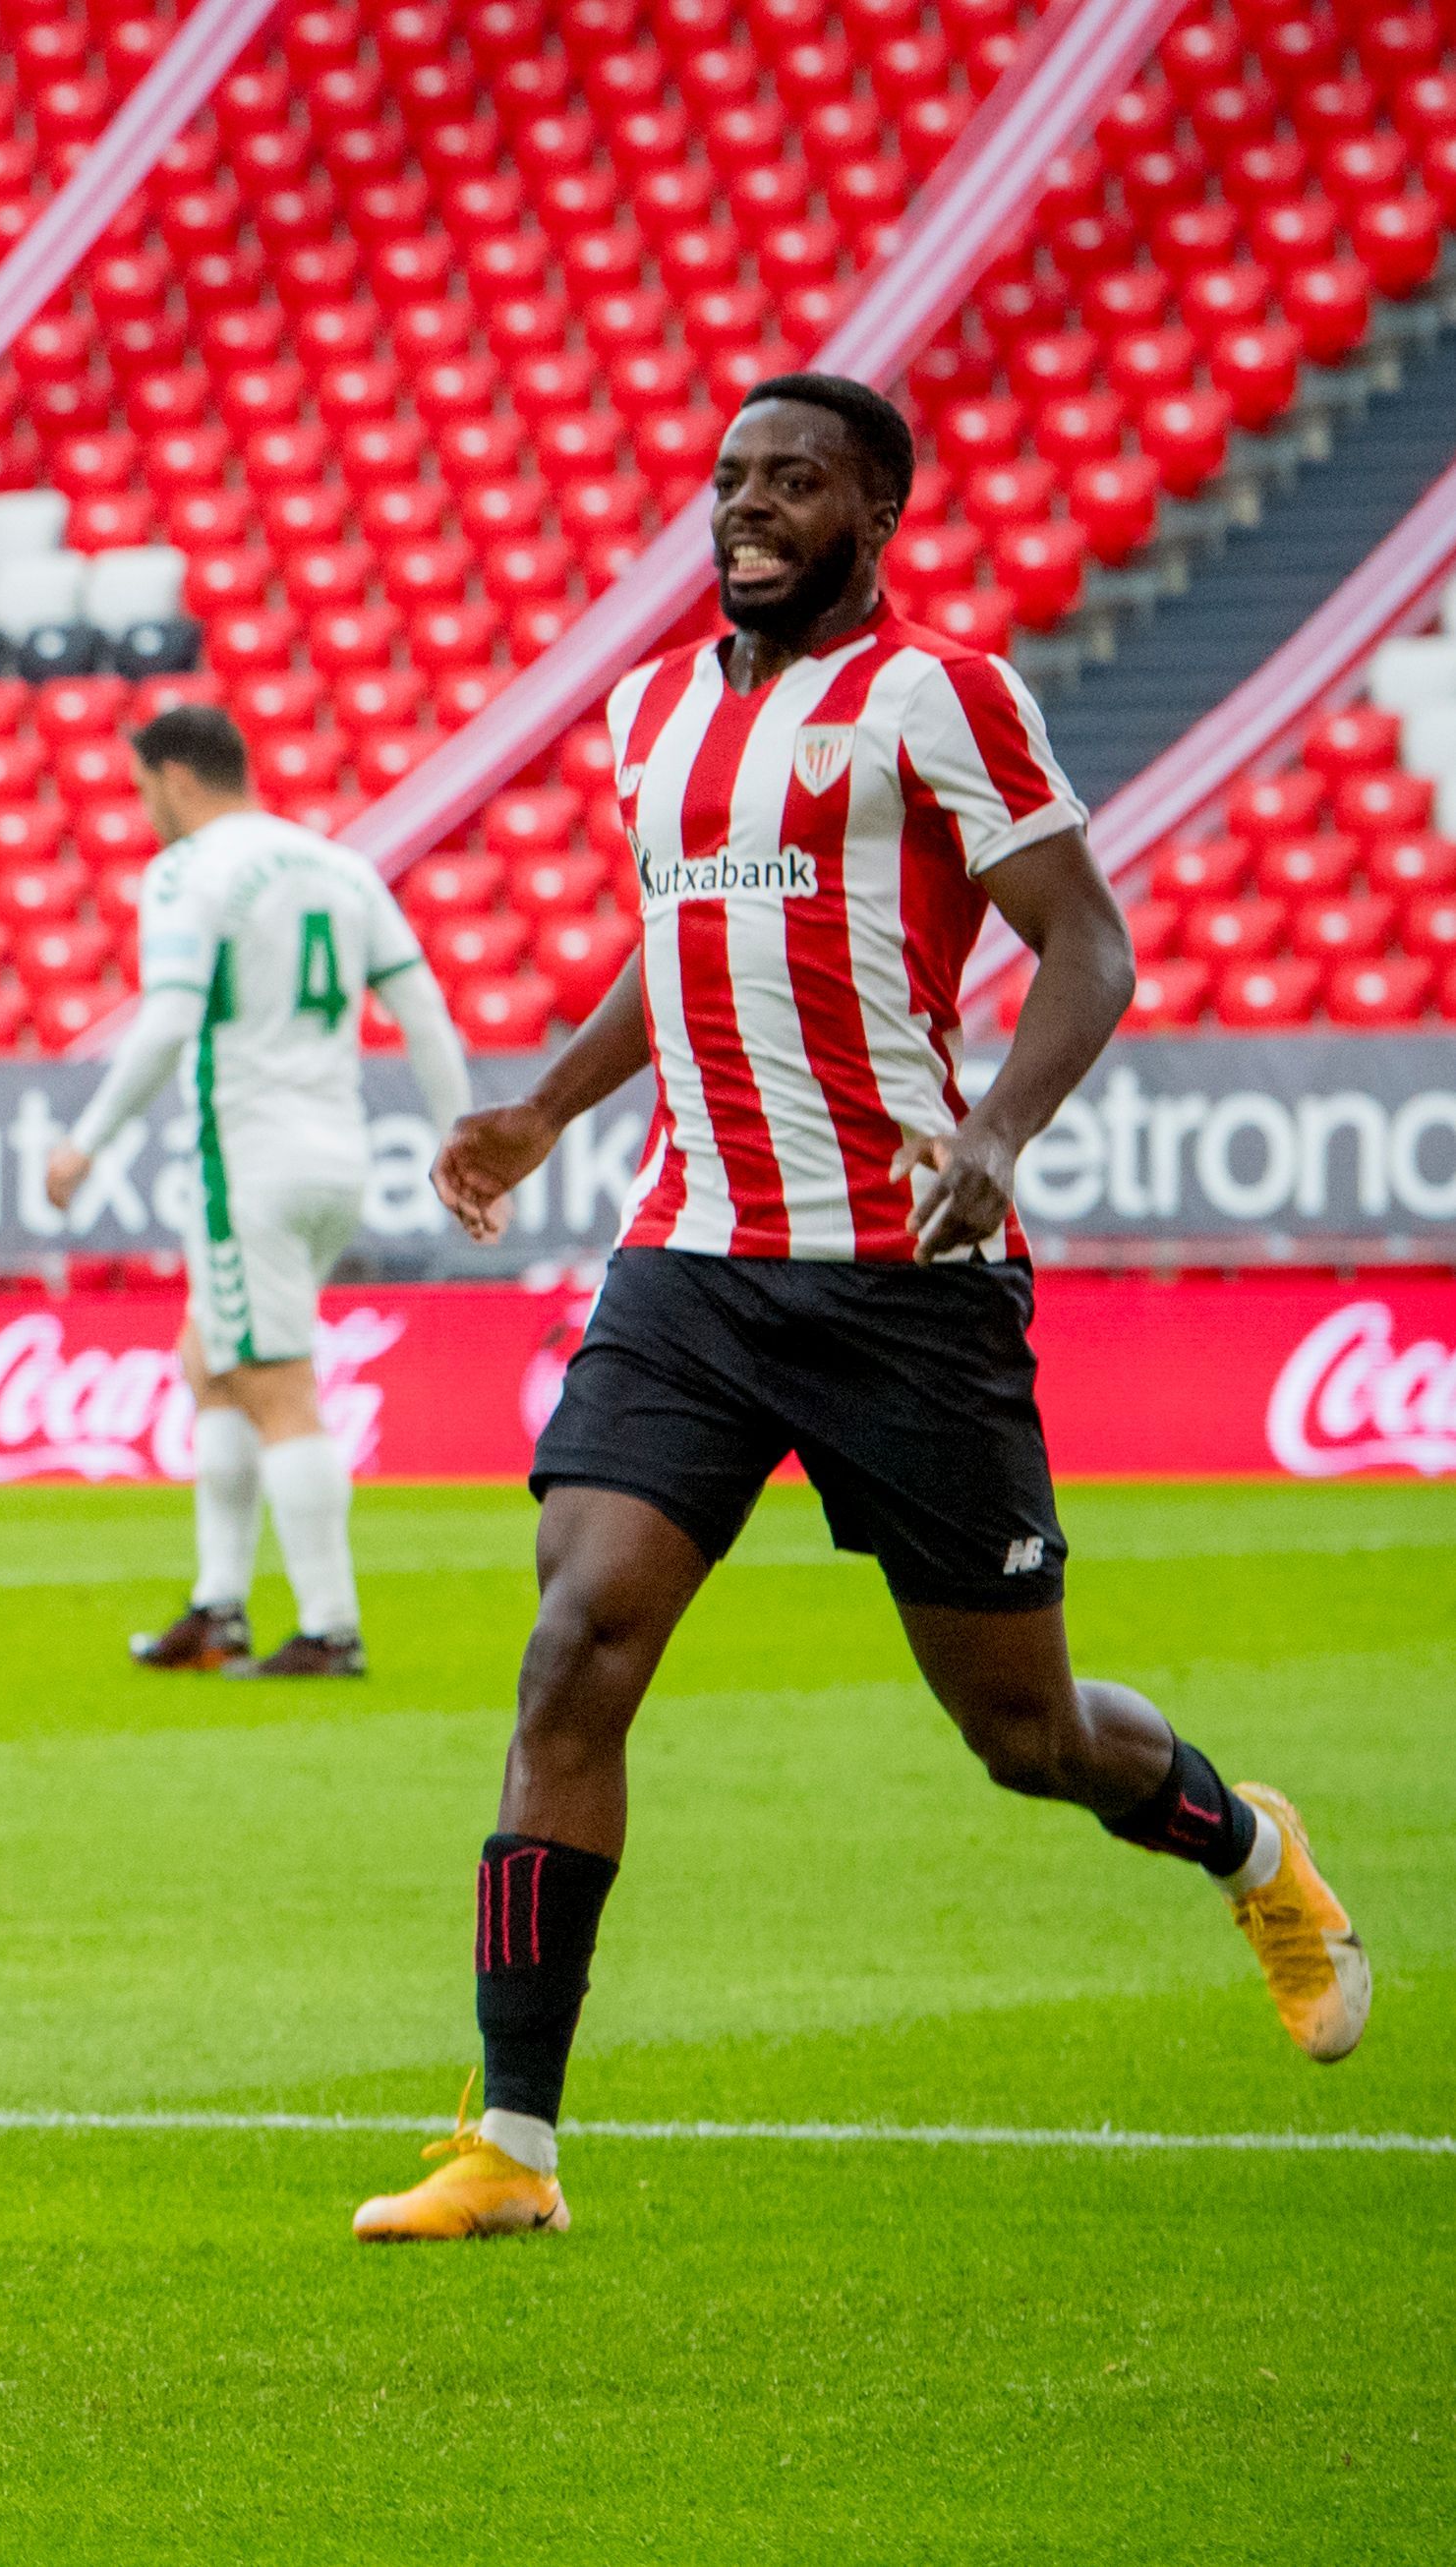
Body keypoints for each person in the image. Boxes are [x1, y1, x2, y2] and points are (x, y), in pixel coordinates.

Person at [357, 375, 1370, 2244]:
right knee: (573, 1644)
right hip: (689, 1262)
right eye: (730, 478)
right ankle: (513, 2137)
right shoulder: (647, 710)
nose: (746, 508)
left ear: (871, 514)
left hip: (905, 1280)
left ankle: (1244, 1839)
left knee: (1025, 1732)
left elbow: (1089, 940)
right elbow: (682, 951)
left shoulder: (940, 697)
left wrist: (993, 1130)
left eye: (792, 481)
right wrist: (544, 1107)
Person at [44, 702, 471, 1678]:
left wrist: (84, 1144)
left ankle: (328, 1625)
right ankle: (217, 1607)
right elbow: (422, 1007)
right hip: (336, 1154)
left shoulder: (190, 871)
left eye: (144, 787)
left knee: (273, 1383)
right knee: (211, 1362)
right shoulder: (338, 864)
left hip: (248, 1163)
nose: (145, 807)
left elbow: (164, 1024)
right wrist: (463, 1141)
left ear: (177, 779)